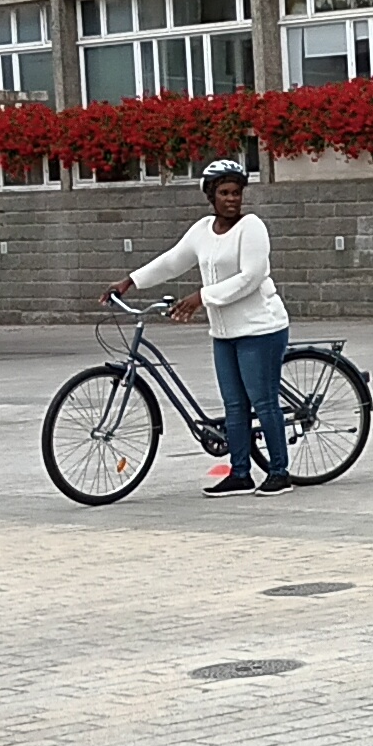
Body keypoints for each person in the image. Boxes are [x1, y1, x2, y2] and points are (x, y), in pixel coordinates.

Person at [117, 159, 291, 496]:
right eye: (224, 193)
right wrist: (130, 281)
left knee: (264, 401)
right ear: (210, 195)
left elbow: (251, 277)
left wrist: (201, 296)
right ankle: (240, 473)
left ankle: (279, 472)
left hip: (260, 328)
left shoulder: (252, 227)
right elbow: (172, 261)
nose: (232, 199)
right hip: (224, 333)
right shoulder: (202, 230)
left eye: (236, 193)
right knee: (234, 405)